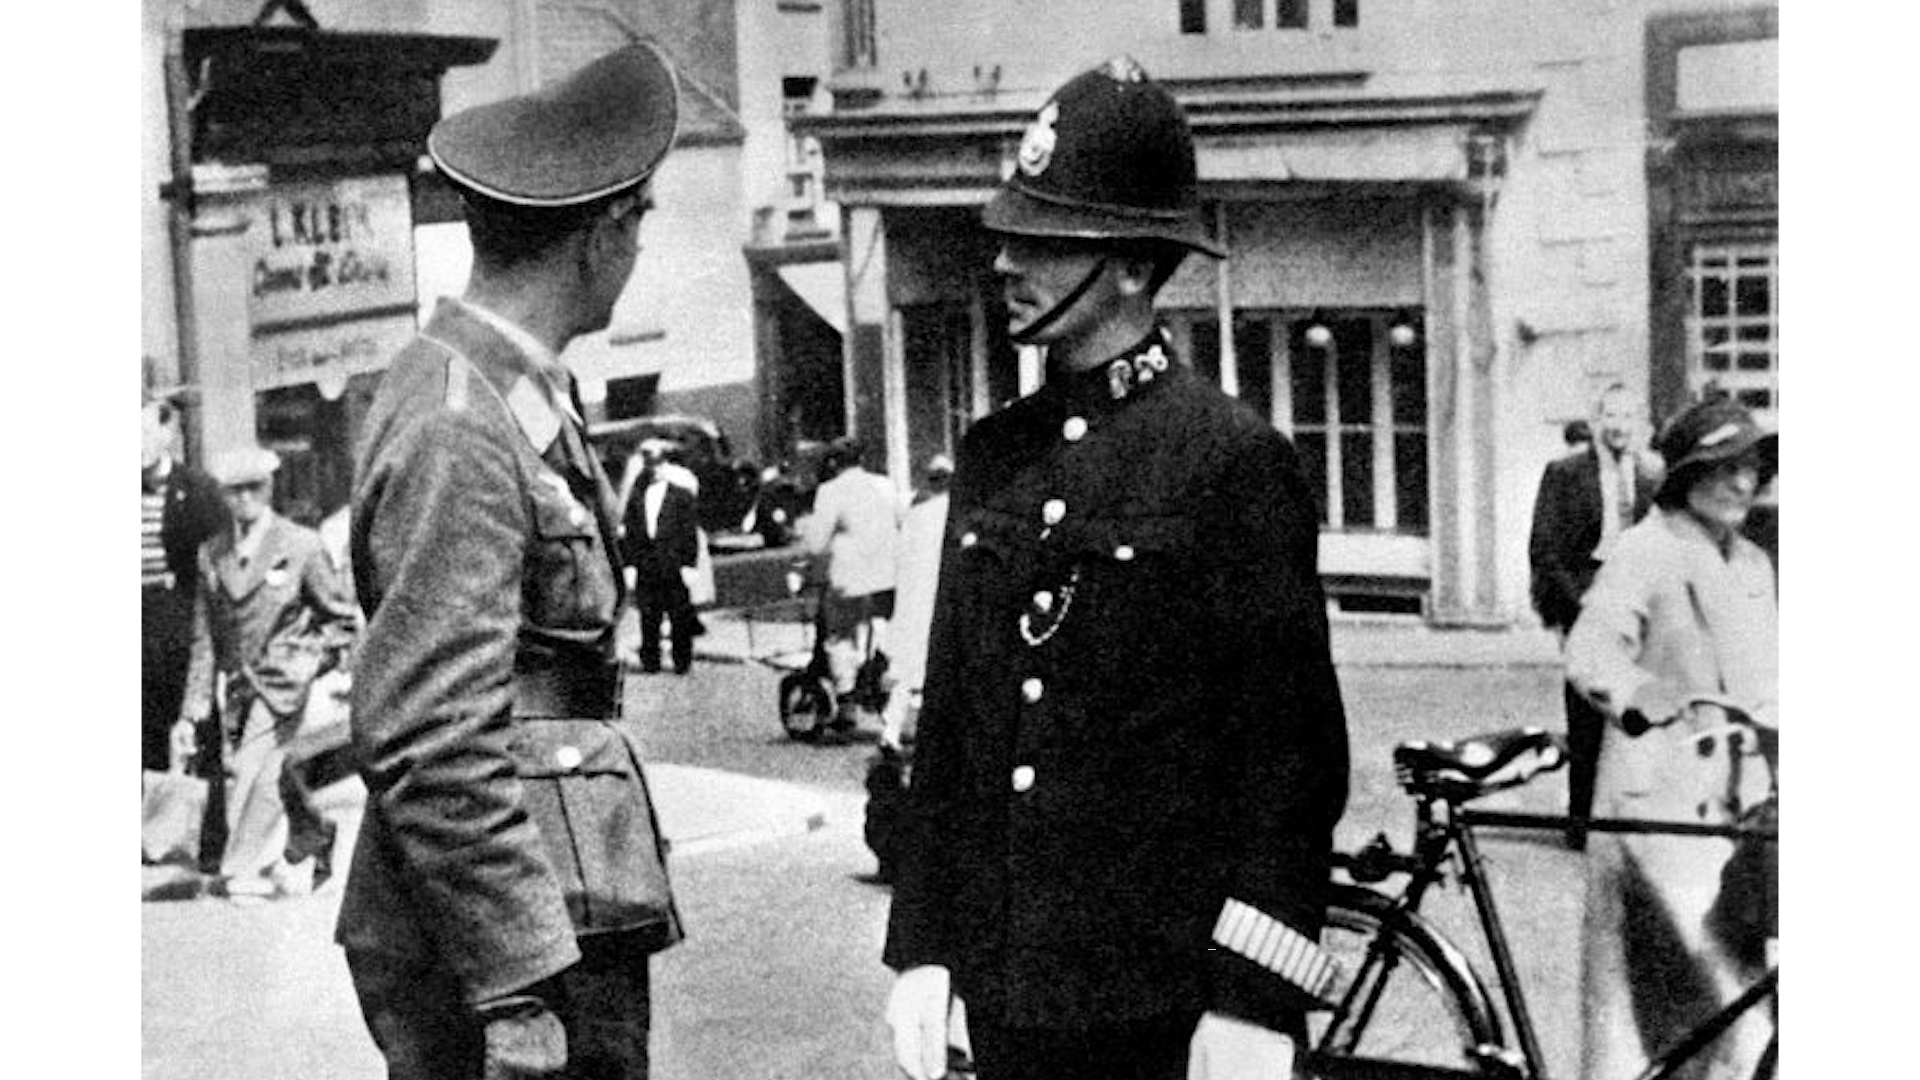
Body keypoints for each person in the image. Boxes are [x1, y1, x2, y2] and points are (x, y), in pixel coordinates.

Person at [882, 57, 1350, 1080]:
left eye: (1045, 240)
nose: (1006, 262)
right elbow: (959, 725)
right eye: (1010, 232)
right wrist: (922, 947)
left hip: (1162, 1001)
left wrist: (1252, 1001)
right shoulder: (994, 453)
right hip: (1007, 991)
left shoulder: (1231, 461)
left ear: (1135, 265)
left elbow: (1290, 758)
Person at [337, 44, 685, 1080]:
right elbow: (433, 729)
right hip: (506, 951)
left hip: (556, 902)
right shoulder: (460, 421)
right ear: (603, 235)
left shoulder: (507, 393)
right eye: (638, 223)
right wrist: (515, 985)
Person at [1565, 394, 1777, 1080]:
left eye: (1750, 467)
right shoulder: (1646, 550)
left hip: (1738, 810)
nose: (1742, 482)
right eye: (1723, 468)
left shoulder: (1752, 564)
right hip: (1656, 811)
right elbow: (1591, 652)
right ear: (1687, 476)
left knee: (1741, 1004)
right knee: (1651, 1013)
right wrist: (1640, 696)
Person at [178, 446, 357, 901]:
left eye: (253, 488)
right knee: (268, 772)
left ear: (270, 487)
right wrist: (193, 706)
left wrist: (304, 660)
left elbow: (340, 621)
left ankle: (244, 867)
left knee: (252, 771)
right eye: (234, 491)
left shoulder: (300, 545)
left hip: (283, 685)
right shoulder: (212, 553)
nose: (244, 499)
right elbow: (205, 636)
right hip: (236, 687)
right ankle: (314, 834)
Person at [1527, 383, 1660, 850]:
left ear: (1639, 421)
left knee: (1639, 713)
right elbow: (1545, 550)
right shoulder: (1565, 474)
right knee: (1586, 719)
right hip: (1585, 603)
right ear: (1597, 420)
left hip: (1636, 606)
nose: (1619, 425)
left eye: (1628, 416)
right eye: (1611, 416)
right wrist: (1580, 609)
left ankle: (1632, 826)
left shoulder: (1650, 476)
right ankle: (1580, 824)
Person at [142, 364, 228, 778]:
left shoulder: (197, 492)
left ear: (166, 431)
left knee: (194, 773)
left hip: (182, 640)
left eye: (141, 432)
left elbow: (215, 588)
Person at [800, 435, 902, 723]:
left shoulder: (830, 492)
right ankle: (880, 680)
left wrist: (809, 555)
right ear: (862, 459)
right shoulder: (885, 485)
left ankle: (846, 700)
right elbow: (900, 520)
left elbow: (817, 542)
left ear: (834, 463)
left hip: (849, 579)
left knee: (839, 636)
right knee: (880, 628)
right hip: (887, 576)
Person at [621, 439, 702, 674]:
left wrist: (689, 564)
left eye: (658, 464)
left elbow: (689, 533)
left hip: (674, 564)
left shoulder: (681, 496)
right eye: (650, 464)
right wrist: (630, 565)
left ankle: (682, 659)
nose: (655, 469)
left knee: (679, 614)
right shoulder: (638, 497)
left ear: (666, 465)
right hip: (648, 564)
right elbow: (632, 533)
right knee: (649, 615)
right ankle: (651, 660)